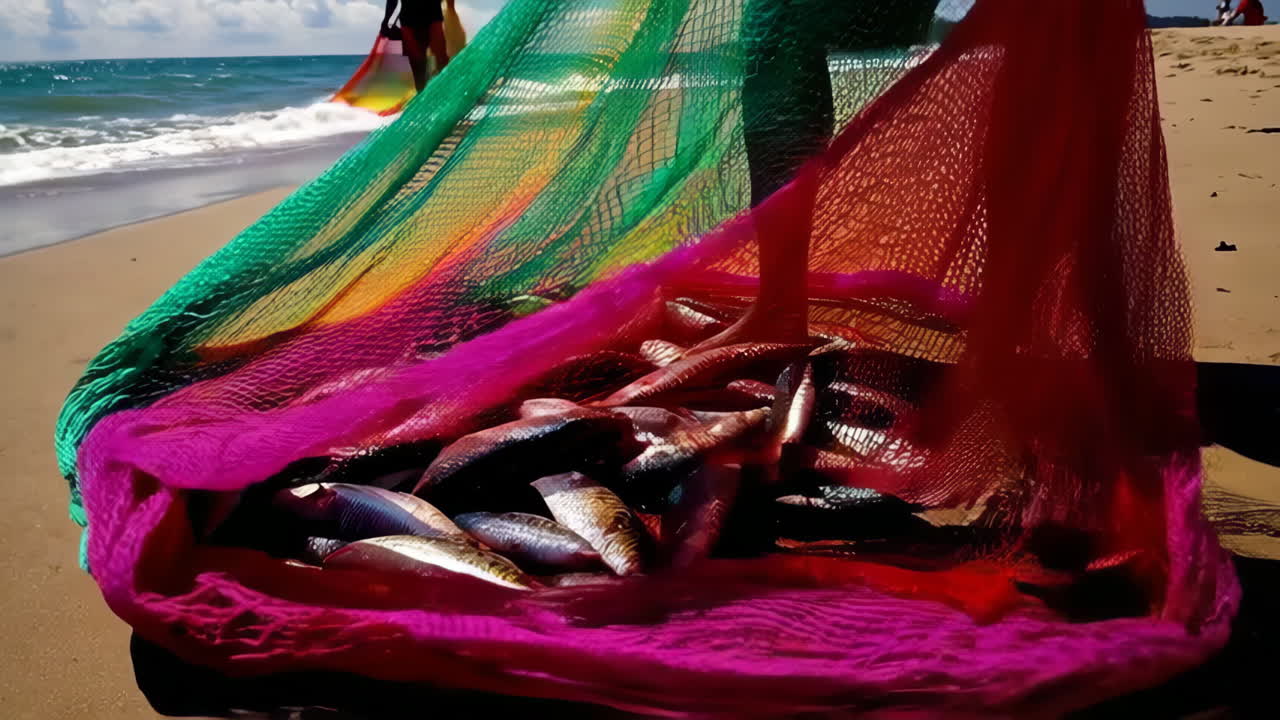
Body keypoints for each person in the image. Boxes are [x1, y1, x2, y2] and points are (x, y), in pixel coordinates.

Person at [383, 0, 453, 92]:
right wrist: (386, 20)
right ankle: (432, 96)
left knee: (430, 63)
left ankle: (440, 93)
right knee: (430, 63)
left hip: (424, 15)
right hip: (418, 17)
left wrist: (386, 21)